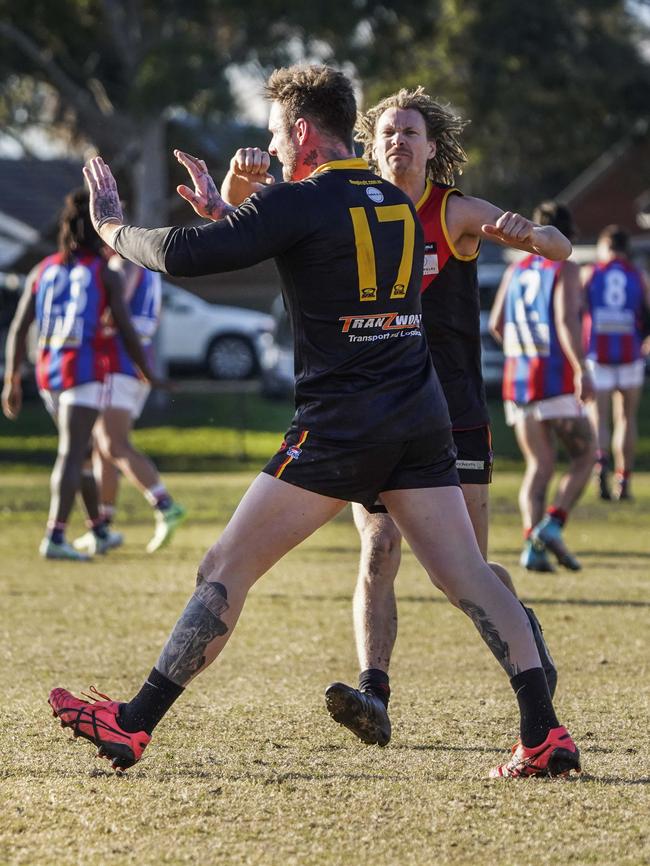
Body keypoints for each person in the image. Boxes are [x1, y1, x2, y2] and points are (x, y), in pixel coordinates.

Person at [49, 65, 581, 780]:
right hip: (420, 416)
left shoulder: (304, 201)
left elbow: (179, 256)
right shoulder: (391, 200)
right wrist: (238, 211)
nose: (270, 146)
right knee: (472, 579)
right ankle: (543, 734)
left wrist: (111, 225)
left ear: (301, 132)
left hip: (342, 426)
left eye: (274, 132)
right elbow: (318, 239)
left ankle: (133, 724)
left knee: (223, 568)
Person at [217, 87, 566, 747]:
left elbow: (556, 247)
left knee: (471, 575)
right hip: (376, 412)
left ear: (432, 147)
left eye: (410, 132)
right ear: (368, 146)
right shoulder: (351, 206)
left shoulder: (454, 210)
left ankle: (530, 675)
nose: (398, 142)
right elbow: (247, 221)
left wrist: (533, 235)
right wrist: (241, 184)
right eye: (387, 134)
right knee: (377, 550)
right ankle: (373, 690)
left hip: (453, 414)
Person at [2, 188, 156, 560]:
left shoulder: (44, 269)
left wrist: (11, 378)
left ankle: (99, 531)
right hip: (84, 370)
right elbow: (126, 327)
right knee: (73, 454)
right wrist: (147, 371)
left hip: (47, 371)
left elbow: (20, 327)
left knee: (84, 452)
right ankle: (55, 537)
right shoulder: (103, 272)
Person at [489, 202, 596, 573]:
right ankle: (552, 524)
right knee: (586, 456)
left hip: (517, 379)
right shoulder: (563, 266)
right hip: (552, 376)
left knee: (539, 465)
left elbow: (498, 324)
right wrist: (582, 367)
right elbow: (566, 320)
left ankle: (531, 547)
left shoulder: (515, 269)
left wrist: (521, 353)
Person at [73, 256, 186, 554]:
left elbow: (113, 310)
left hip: (117, 360)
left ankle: (165, 506)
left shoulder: (121, 262)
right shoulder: (146, 265)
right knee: (101, 448)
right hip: (136, 358)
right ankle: (102, 526)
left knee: (113, 444)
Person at [582, 225, 650, 501]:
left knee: (599, 419)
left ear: (606, 246)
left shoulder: (591, 273)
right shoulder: (639, 276)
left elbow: (575, 309)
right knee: (626, 418)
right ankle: (624, 480)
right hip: (630, 353)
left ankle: (601, 469)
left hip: (598, 353)